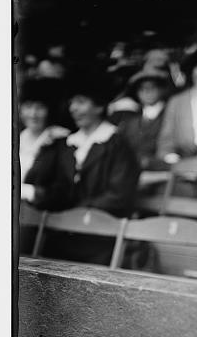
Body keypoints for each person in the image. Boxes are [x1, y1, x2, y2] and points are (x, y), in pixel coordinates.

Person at [36, 74, 140, 264]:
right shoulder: (67, 144)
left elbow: (119, 195)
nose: (73, 108)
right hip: (62, 232)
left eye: (81, 102)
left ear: (99, 106)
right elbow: (57, 187)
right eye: (72, 102)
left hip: (100, 234)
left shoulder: (117, 144)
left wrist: (77, 210)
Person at [19, 78, 71, 211]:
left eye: (40, 107)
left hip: (41, 218)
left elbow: (63, 191)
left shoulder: (60, 143)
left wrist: (28, 191)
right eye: (28, 106)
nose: (33, 114)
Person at [110, 69, 171, 170]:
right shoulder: (129, 121)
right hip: (132, 172)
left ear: (162, 89)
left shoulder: (170, 115)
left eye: (152, 87)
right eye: (142, 89)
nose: (147, 92)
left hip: (162, 171)